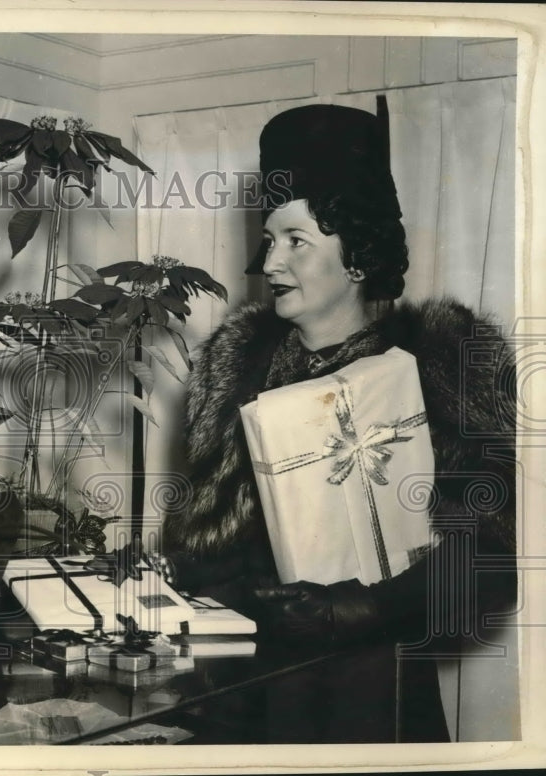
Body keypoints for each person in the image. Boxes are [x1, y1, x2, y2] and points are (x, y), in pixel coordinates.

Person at [163, 101, 516, 742]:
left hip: (374, 695)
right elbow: (203, 542)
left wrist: (360, 607)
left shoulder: (443, 364)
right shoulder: (236, 366)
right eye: (269, 240)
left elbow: (492, 563)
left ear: (358, 255)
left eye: (296, 241)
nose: (270, 264)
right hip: (244, 695)